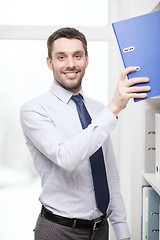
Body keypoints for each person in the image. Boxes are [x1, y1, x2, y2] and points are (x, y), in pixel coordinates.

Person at [20, 27, 150, 240]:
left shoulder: (99, 110)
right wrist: (114, 108)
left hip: (101, 230)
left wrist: (122, 229)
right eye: (61, 57)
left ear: (86, 60)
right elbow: (66, 157)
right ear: (50, 63)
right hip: (58, 230)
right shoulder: (34, 110)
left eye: (77, 56)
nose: (70, 64)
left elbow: (109, 175)